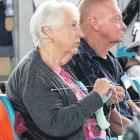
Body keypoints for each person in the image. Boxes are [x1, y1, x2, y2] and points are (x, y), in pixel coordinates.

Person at [6, 1, 124, 140]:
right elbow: (55, 124)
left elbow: (78, 113)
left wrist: (104, 101)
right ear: (48, 32)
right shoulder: (33, 73)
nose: (80, 33)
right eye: (73, 26)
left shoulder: (61, 68)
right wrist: (96, 96)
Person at [68, 0, 140, 136]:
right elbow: (110, 121)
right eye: (117, 19)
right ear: (95, 23)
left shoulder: (110, 58)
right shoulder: (77, 59)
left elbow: (131, 104)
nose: (124, 26)